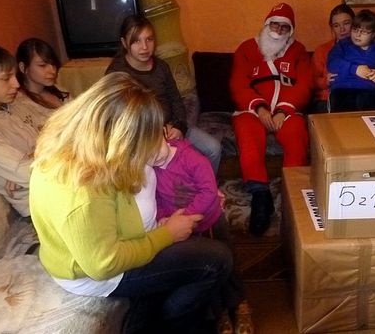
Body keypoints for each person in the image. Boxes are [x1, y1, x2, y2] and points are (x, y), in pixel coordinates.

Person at [29, 72, 232, 334]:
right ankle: (171, 324)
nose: (156, 143)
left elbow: (164, 170)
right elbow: (104, 264)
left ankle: (177, 306)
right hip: (105, 274)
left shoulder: (95, 145)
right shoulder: (81, 194)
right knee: (217, 260)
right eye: (148, 138)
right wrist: (167, 235)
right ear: (123, 139)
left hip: (136, 234)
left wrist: (201, 190)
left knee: (212, 231)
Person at [230, 2, 313, 236]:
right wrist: (260, 108)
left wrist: (283, 110)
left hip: (286, 111)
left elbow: (305, 84)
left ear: (291, 30)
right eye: (274, 25)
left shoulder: (298, 51)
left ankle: (292, 193)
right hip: (254, 110)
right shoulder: (247, 48)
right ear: (266, 25)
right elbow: (238, 83)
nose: (278, 30)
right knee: (247, 133)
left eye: (284, 27)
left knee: (297, 133)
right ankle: (260, 195)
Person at [154, 138, 253, 334]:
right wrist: (164, 218)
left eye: (153, 146)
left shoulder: (193, 159)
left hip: (211, 222)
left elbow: (209, 191)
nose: (152, 155)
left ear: (164, 133)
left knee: (229, 264)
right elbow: (156, 199)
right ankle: (220, 312)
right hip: (183, 229)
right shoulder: (151, 169)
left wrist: (187, 215)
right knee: (206, 272)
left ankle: (240, 304)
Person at [106, 14, 222, 174]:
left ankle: (204, 186)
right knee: (166, 168)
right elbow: (118, 117)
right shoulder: (117, 73)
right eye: (136, 41)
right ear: (124, 43)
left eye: (149, 39)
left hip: (172, 126)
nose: (144, 47)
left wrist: (179, 126)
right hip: (142, 135)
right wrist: (158, 131)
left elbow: (176, 100)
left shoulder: (161, 66)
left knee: (213, 149)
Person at [0, 43, 38, 217]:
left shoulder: (11, 107)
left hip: (57, 186)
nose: (16, 84)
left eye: (15, 76)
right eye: (6, 78)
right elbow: (29, 174)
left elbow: (49, 137)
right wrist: (28, 168)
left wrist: (33, 158)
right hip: (44, 205)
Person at [327, 9, 375, 112]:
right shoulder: (343, 45)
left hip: (368, 90)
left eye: (364, 32)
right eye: (355, 30)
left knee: (371, 113)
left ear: (373, 34)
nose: (358, 35)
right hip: (342, 88)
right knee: (341, 115)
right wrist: (355, 69)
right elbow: (333, 62)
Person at [14, 38, 70, 132]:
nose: (52, 71)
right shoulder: (19, 104)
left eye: (53, 64)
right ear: (23, 67)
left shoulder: (59, 91)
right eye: (42, 65)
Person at [310, 3, 355, 113]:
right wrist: (325, 81)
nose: (342, 29)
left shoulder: (364, 49)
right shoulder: (322, 50)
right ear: (332, 28)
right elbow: (312, 80)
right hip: (326, 100)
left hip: (355, 98)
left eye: (346, 23)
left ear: (354, 24)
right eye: (336, 25)